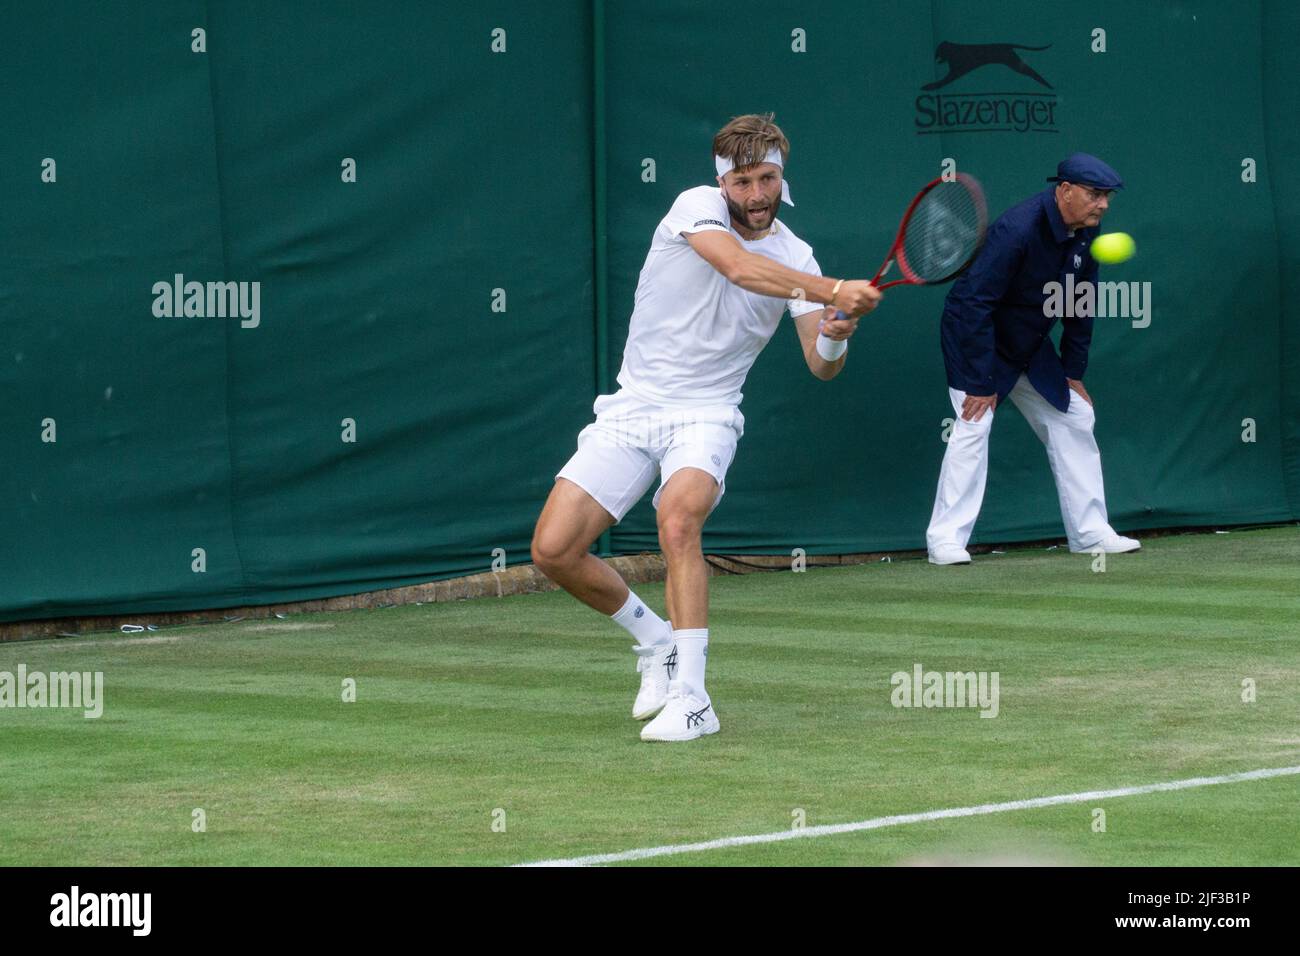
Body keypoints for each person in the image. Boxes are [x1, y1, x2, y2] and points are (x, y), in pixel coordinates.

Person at [531, 113, 881, 741]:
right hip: (634, 407)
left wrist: (833, 334)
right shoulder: (695, 207)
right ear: (723, 183)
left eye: (767, 178)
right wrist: (833, 289)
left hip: (709, 413)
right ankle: (655, 642)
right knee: (553, 551)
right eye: (743, 182)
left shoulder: (796, 255)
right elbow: (740, 270)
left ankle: (693, 698)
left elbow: (820, 368)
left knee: (679, 515)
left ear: (782, 177)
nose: (756, 195)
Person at [927, 152, 1141, 565]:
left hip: (1027, 342)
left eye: (1107, 197)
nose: (1103, 205)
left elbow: (1080, 304)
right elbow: (973, 303)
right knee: (974, 424)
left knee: (1075, 414)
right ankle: (945, 541)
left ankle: (1091, 532)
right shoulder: (1017, 229)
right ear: (1064, 191)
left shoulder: (1087, 230)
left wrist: (1073, 372)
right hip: (977, 337)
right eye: (1095, 194)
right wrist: (980, 381)